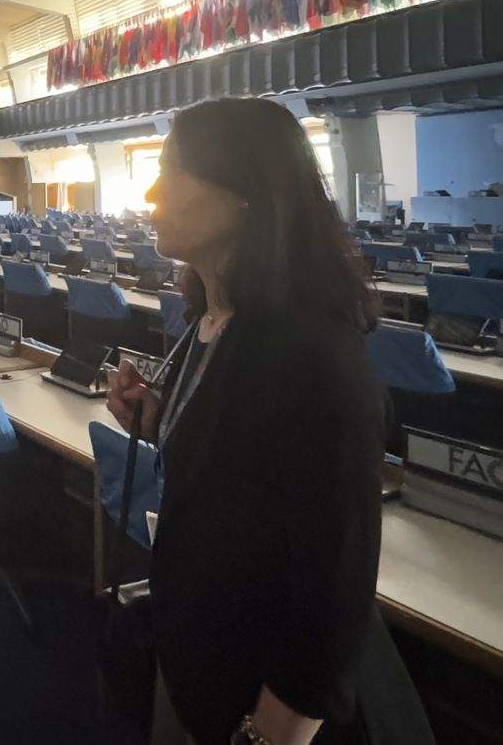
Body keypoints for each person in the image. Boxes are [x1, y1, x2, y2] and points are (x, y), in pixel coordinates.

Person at [107, 98, 429, 745]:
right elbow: (240, 451)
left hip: (256, 703)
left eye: (172, 170)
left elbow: (335, 574)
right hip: (195, 655)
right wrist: (158, 416)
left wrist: (275, 727)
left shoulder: (313, 354)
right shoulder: (208, 322)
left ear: (245, 192)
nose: (150, 190)